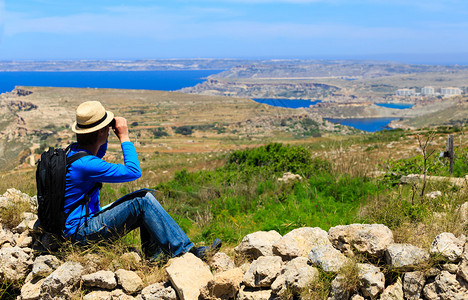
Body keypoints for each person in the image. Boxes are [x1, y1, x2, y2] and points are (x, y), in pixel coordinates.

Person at [64, 101, 221, 260]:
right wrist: (124, 136)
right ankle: (187, 253)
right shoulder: (86, 165)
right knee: (142, 202)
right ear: (100, 132)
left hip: (74, 227)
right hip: (82, 233)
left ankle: (154, 256)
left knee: (147, 195)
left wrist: (105, 131)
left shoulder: (73, 152)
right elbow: (133, 171)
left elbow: (98, 150)